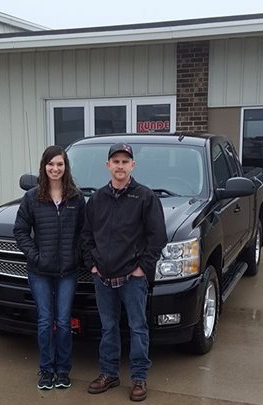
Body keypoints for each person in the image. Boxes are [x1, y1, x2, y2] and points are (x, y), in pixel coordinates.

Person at [82, 142, 167, 402]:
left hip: (132, 277)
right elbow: (86, 237)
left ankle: (139, 378)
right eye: (115, 161)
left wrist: (142, 268)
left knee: (138, 327)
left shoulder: (145, 197)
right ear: (108, 165)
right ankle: (109, 373)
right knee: (108, 327)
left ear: (133, 165)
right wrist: (92, 265)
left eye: (125, 161)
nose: (120, 166)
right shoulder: (97, 199)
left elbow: (157, 237)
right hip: (103, 276)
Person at [13, 145, 85, 390]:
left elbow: (84, 233)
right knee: (45, 321)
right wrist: (35, 255)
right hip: (39, 272)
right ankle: (46, 371)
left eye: (60, 164)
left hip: (68, 272)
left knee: (63, 321)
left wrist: (76, 255)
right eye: (51, 164)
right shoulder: (32, 197)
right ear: (44, 167)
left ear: (66, 167)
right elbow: (20, 230)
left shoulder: (76, 197)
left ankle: (63, 370)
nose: (55, 168)